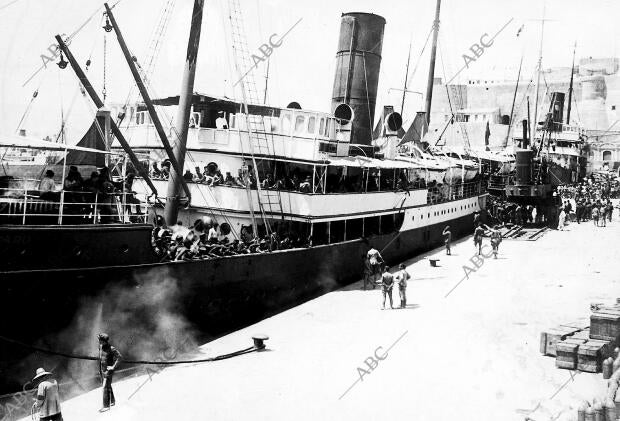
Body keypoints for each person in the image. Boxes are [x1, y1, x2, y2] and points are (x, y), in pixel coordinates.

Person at [98, 333, 122, 412]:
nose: (99, 341)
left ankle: (106, 406)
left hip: (108, 371)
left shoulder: (111, 348)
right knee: (108, 385)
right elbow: (101, 358)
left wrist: (113, 367)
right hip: (103, 370)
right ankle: (112, 401)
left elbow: (119, 357)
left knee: (105, 387)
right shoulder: (101, 346)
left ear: (104, 341)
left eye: (100, 340)